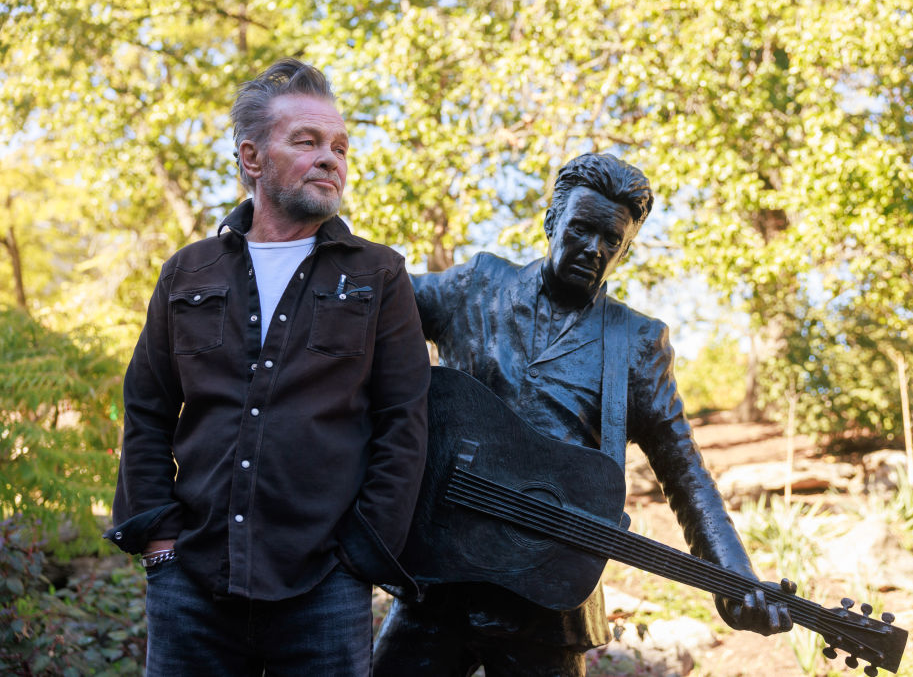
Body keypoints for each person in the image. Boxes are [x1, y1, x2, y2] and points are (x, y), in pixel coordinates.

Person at [373, 152, 794, 676]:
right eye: (581, 229)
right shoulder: (474, 287)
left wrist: (737, 580)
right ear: (551, 221)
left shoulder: (637, 343)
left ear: (625, 248)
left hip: (549, 604)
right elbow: (375, 301)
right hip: (435, 582)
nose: (594, 248)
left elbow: (686, 474)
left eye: (611, 241)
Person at [104, 59, 430, 676]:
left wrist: (362, 551)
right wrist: (159, 538)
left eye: (339, 146)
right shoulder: (187, 272)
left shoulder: (378, 274)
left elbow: (403, 421)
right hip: (192, 579)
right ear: (252, 158)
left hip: (325, 583)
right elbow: (146, 408)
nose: (331, 158)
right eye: (307, 142)